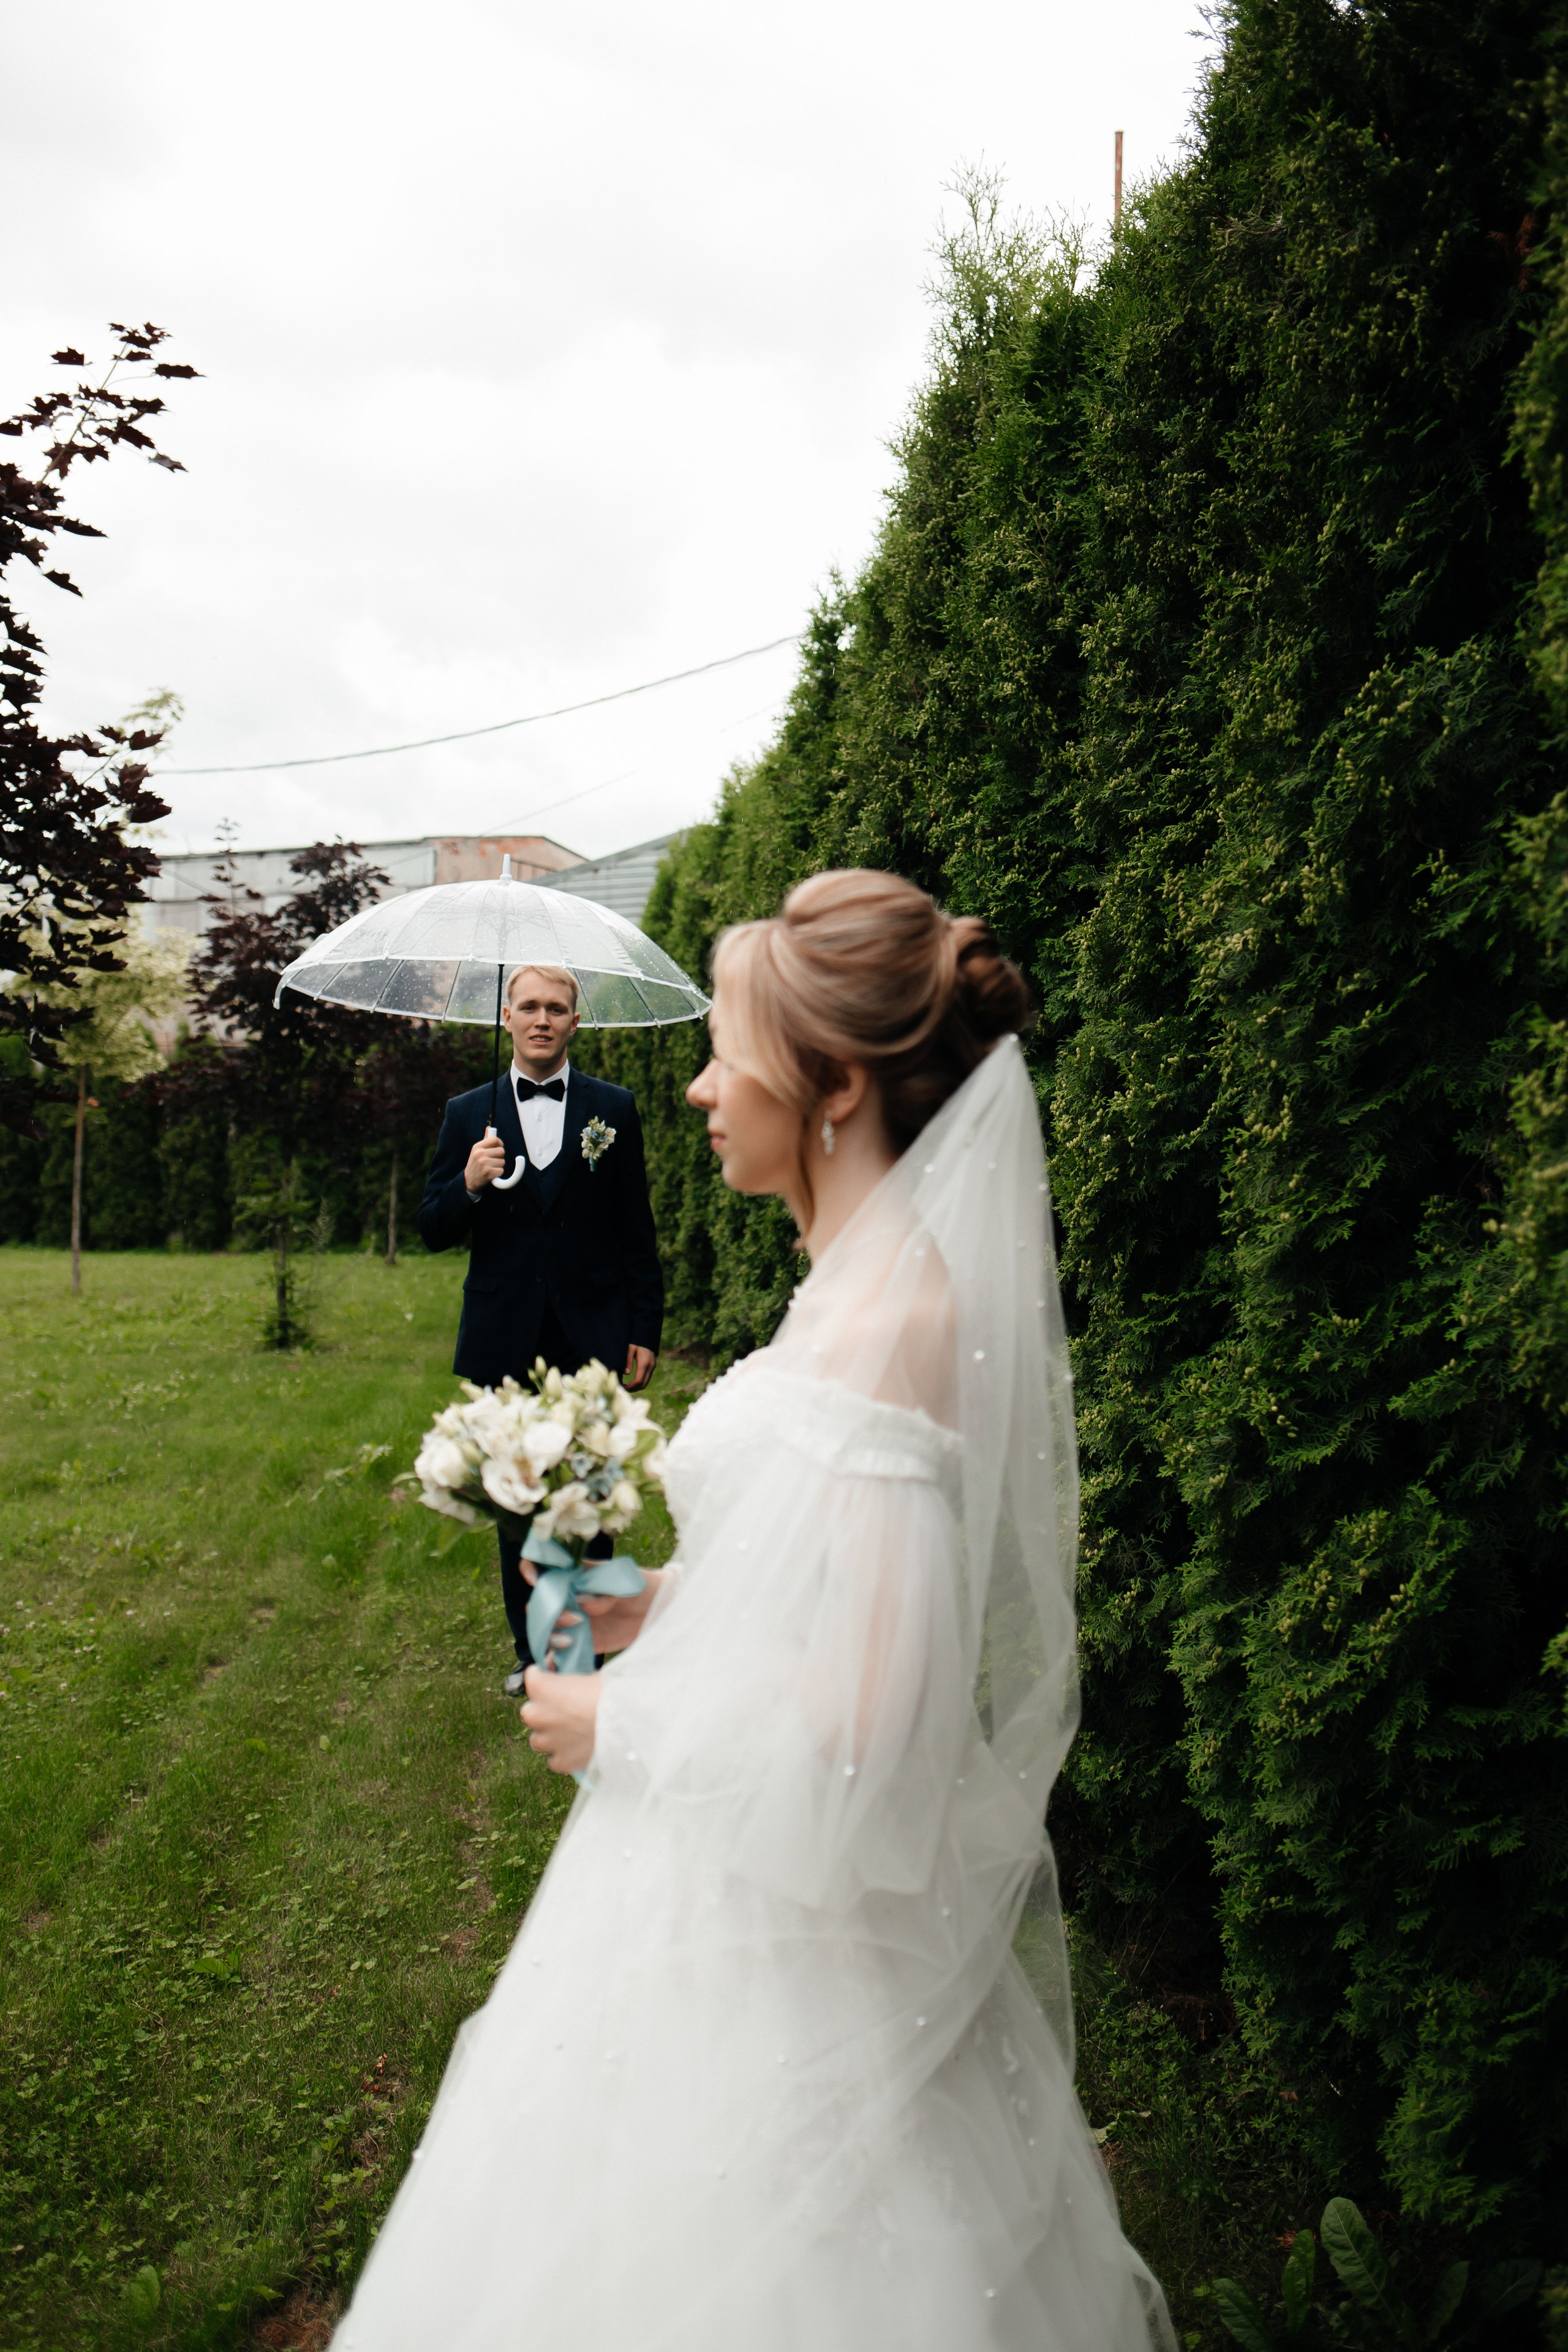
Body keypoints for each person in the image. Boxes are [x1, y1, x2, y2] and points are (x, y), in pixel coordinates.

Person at [338, 873, 1172, 2352]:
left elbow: (876, 1716)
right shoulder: (842, 1277)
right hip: (706, 1880)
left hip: (787, 1956)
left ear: (836, 1084)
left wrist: (622, 1719)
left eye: (730, 1047)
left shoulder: (899, 1317)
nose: (700, 1081)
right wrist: (651, 1601)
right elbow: (818, 1586)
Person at [417, 962, 662, 1695]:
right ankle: (535, 1659)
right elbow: (431, 1228)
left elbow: (635, 1231)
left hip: (593, 1329)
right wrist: (467, 1182)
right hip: (505, 1333)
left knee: (592, 1489)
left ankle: (586, 1650)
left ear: (575, 1022)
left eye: (557, 1008)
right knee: (516, 1497)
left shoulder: (611, 1109)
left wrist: (644, 1325)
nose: (542, 1019)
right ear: (507, 1019)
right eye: (529, 1006)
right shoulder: (469, 1113)